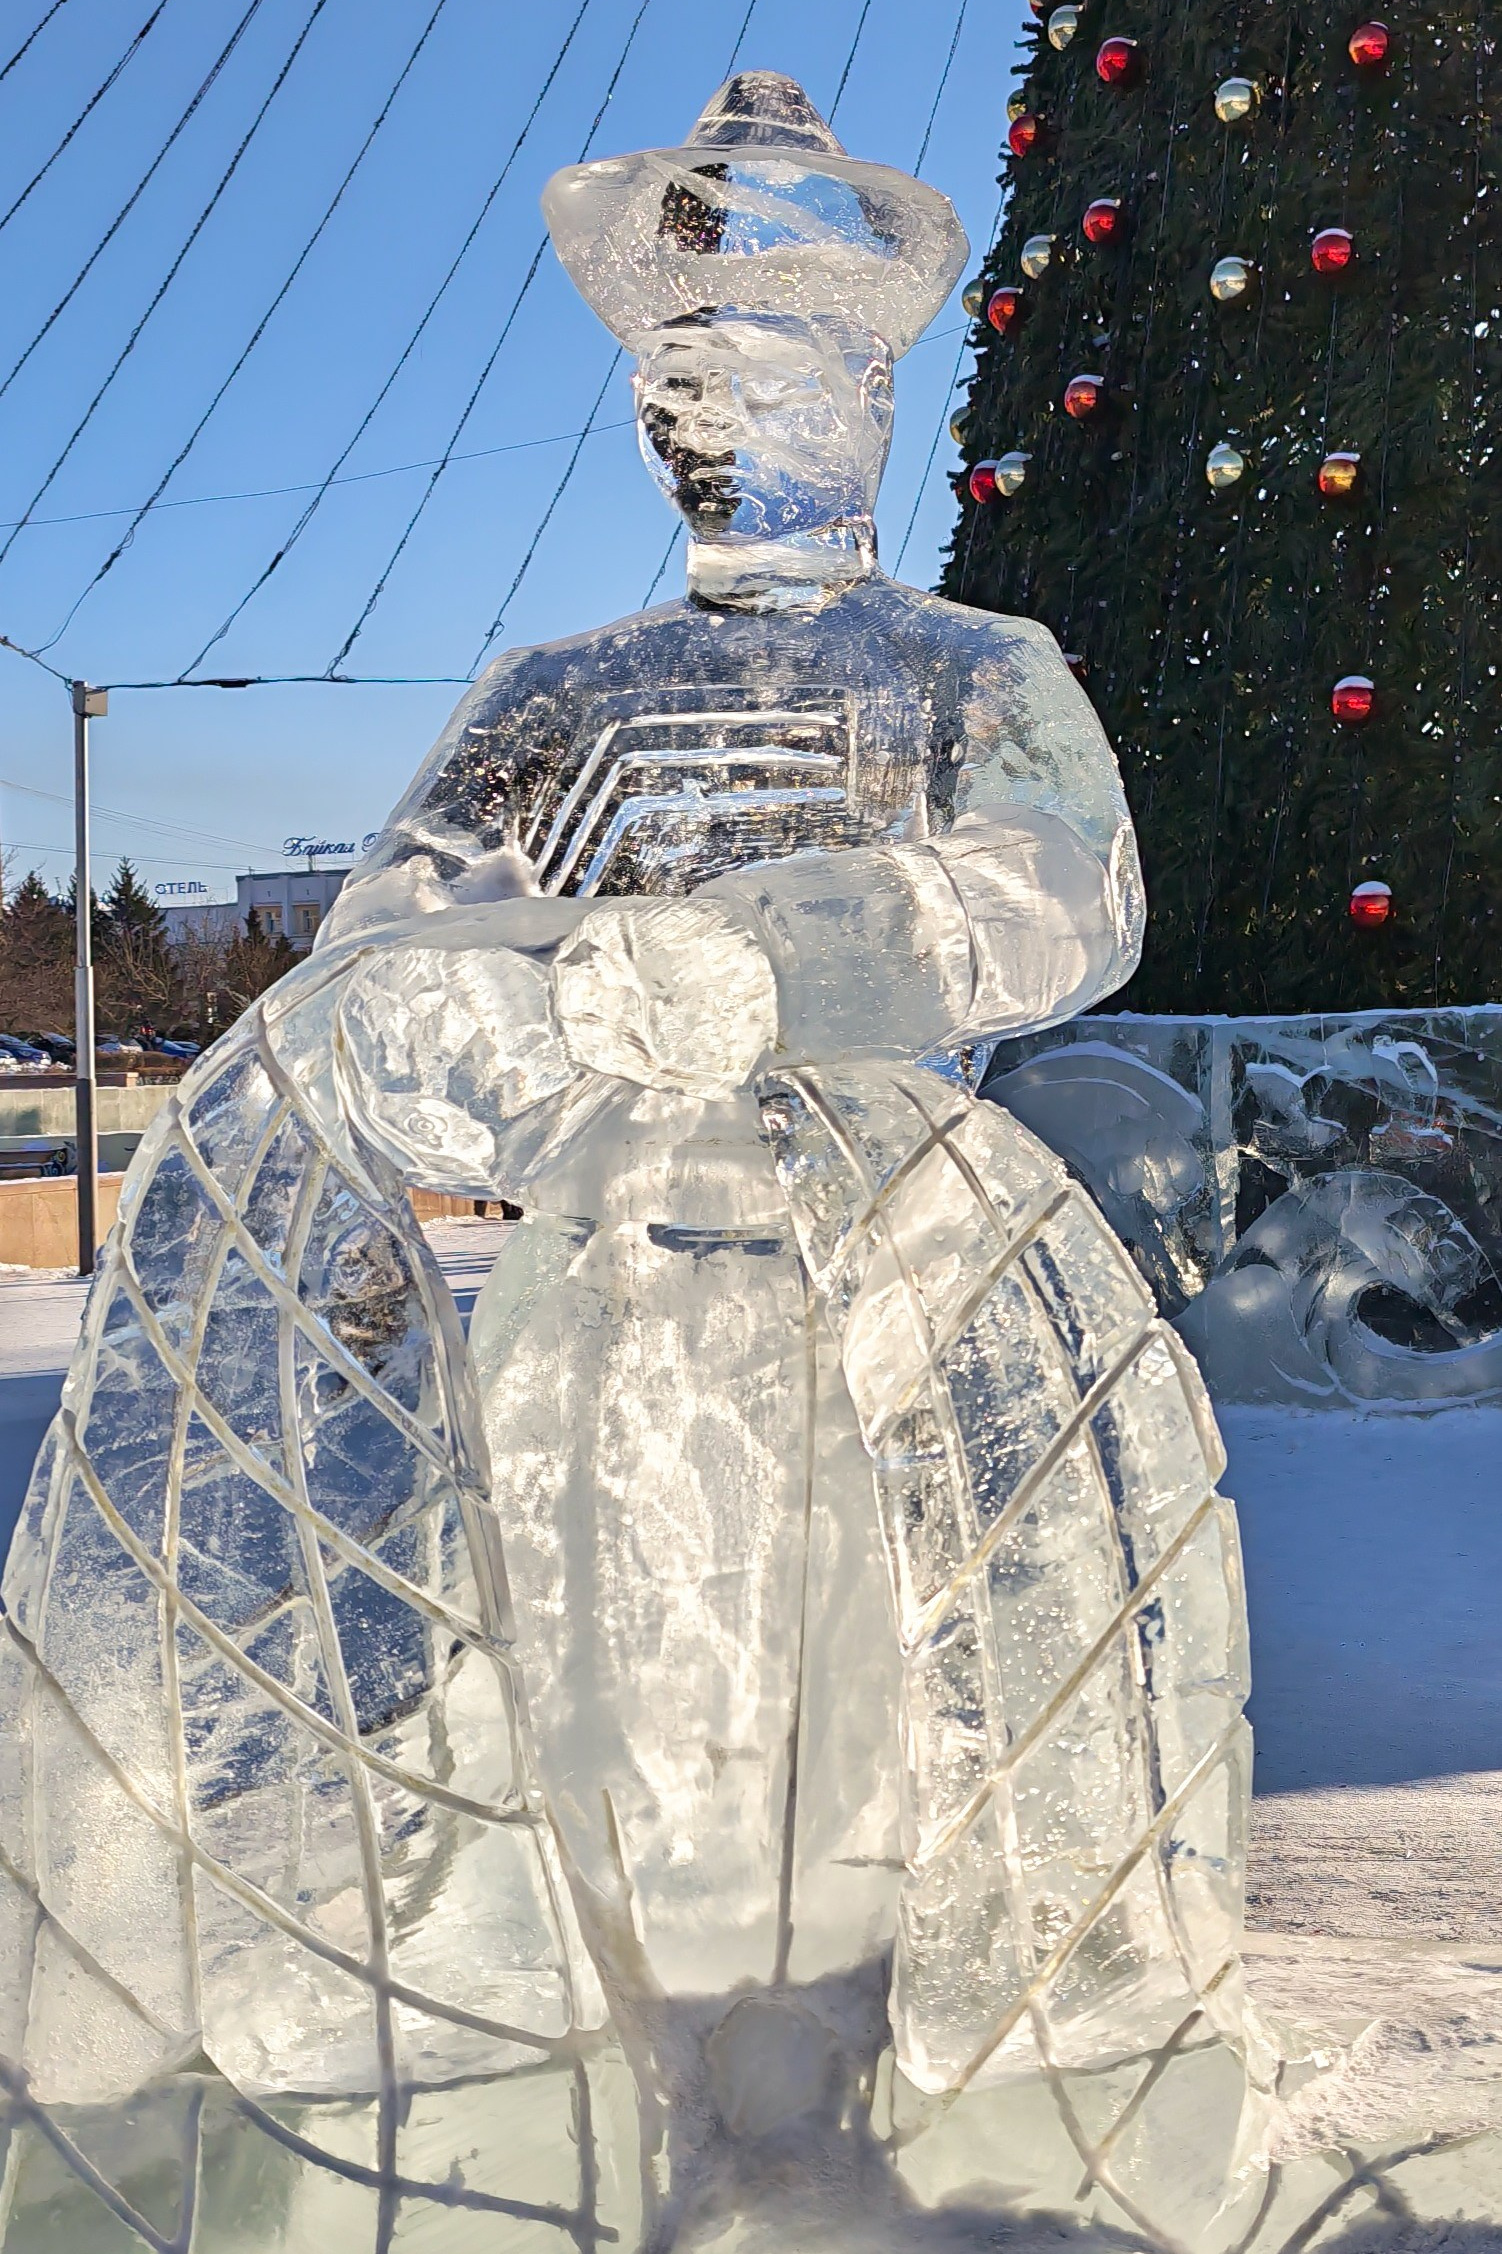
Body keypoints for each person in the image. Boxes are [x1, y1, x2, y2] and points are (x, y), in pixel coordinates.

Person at [0, 74, 1256, 2250]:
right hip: (618, 1284)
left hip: (920, 1280)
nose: (698, 415)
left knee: (926, 1694)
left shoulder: (969, 666)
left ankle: (876, 2126)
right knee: (617, 1690)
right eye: (671, 378)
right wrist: (546, 1013)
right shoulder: (558, 694)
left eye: (742, 364)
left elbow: (1067, 889)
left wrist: (813, 950)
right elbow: (387, 958)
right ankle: (655, 2110)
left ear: (860, 391)